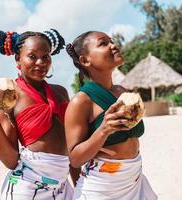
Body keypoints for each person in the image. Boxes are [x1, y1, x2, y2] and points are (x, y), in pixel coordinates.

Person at [0, 29, 79, 199]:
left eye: (45, 56)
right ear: (17, 59)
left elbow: (72, 147)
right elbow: (10, 161)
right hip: (27, 187)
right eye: (32, 56)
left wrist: (79, 187)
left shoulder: (61, 92)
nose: (40, 62)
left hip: (62, 188)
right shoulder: (10, 95)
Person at [65, 31, 157, 200]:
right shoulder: (81, 101)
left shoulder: (122, 92)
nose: (113, 45)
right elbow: (75, 159)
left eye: (112, 41)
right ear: (85, 60)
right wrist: (103, 130)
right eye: (103, 43)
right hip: (104, 187)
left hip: (134, 179)